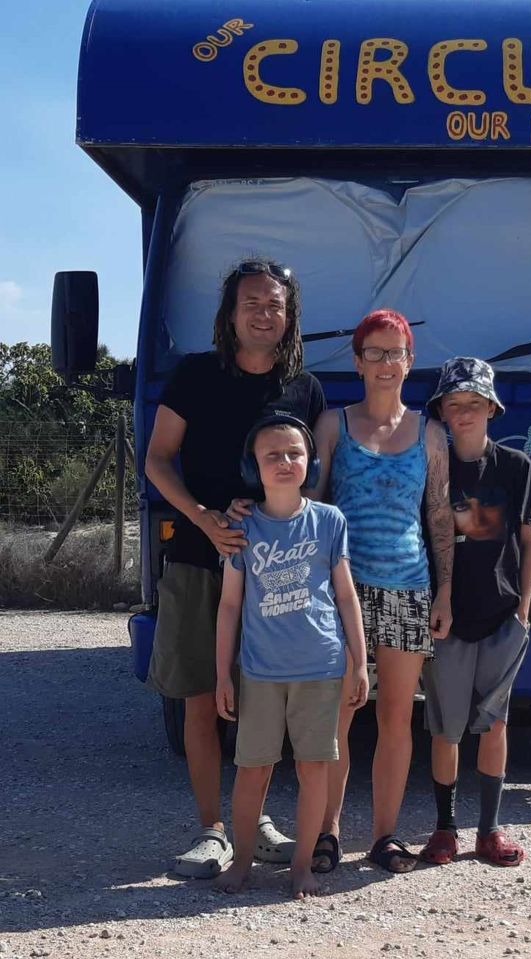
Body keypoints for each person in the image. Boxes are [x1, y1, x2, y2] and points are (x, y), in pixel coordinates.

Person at [145, 259, 325, 878]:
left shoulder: (303, 388)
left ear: (288, 315)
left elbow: (314, 481)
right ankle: (211, 830)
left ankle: (259, 820)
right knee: (201, 697)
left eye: (274, 304)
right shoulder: (195, 376)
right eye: (251, 302)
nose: (263, 313)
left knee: (263, 702)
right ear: (230, 312)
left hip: (279, 576)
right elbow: (157, 461)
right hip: (199, 562)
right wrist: (204, 519)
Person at [310, 309, 454, 874]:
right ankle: (326, 832)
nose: (386, 363)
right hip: (343, 591)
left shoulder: (430, 433)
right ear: (358, 360)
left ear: (410, 361)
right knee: (340, 715)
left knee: (396, 718)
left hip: (408, 591)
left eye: (397, 353)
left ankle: (386, 836)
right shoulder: (331, 425)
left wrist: (443, 594)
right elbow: (313, 508)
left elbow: (439, 519)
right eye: (375, 352)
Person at [213, 412, 368, 898]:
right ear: (253, 466)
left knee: (314, 768)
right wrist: (223, 674)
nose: (284, 462)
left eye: (294, 453)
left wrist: (359, 663)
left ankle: (302, 866)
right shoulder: (242, 527)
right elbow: (230, 604)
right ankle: (241, 863)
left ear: (310, 461)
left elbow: (346, 596)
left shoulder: (329, 521)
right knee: (252, 769)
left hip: (322, 667)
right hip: (259, 673)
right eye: (272, 455)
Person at [419, 357, 531, 867]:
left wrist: (524, 611)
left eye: (473, 403)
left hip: (500, 613)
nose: (463, 413)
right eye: (454, 404)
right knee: (445, 728)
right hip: (445, 619)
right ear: (442, 412)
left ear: (491, 408)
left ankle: (488, 831)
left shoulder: (516, 467)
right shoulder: (432, 466)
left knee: (494, 725)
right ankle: (445, 830)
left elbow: (529, 541)